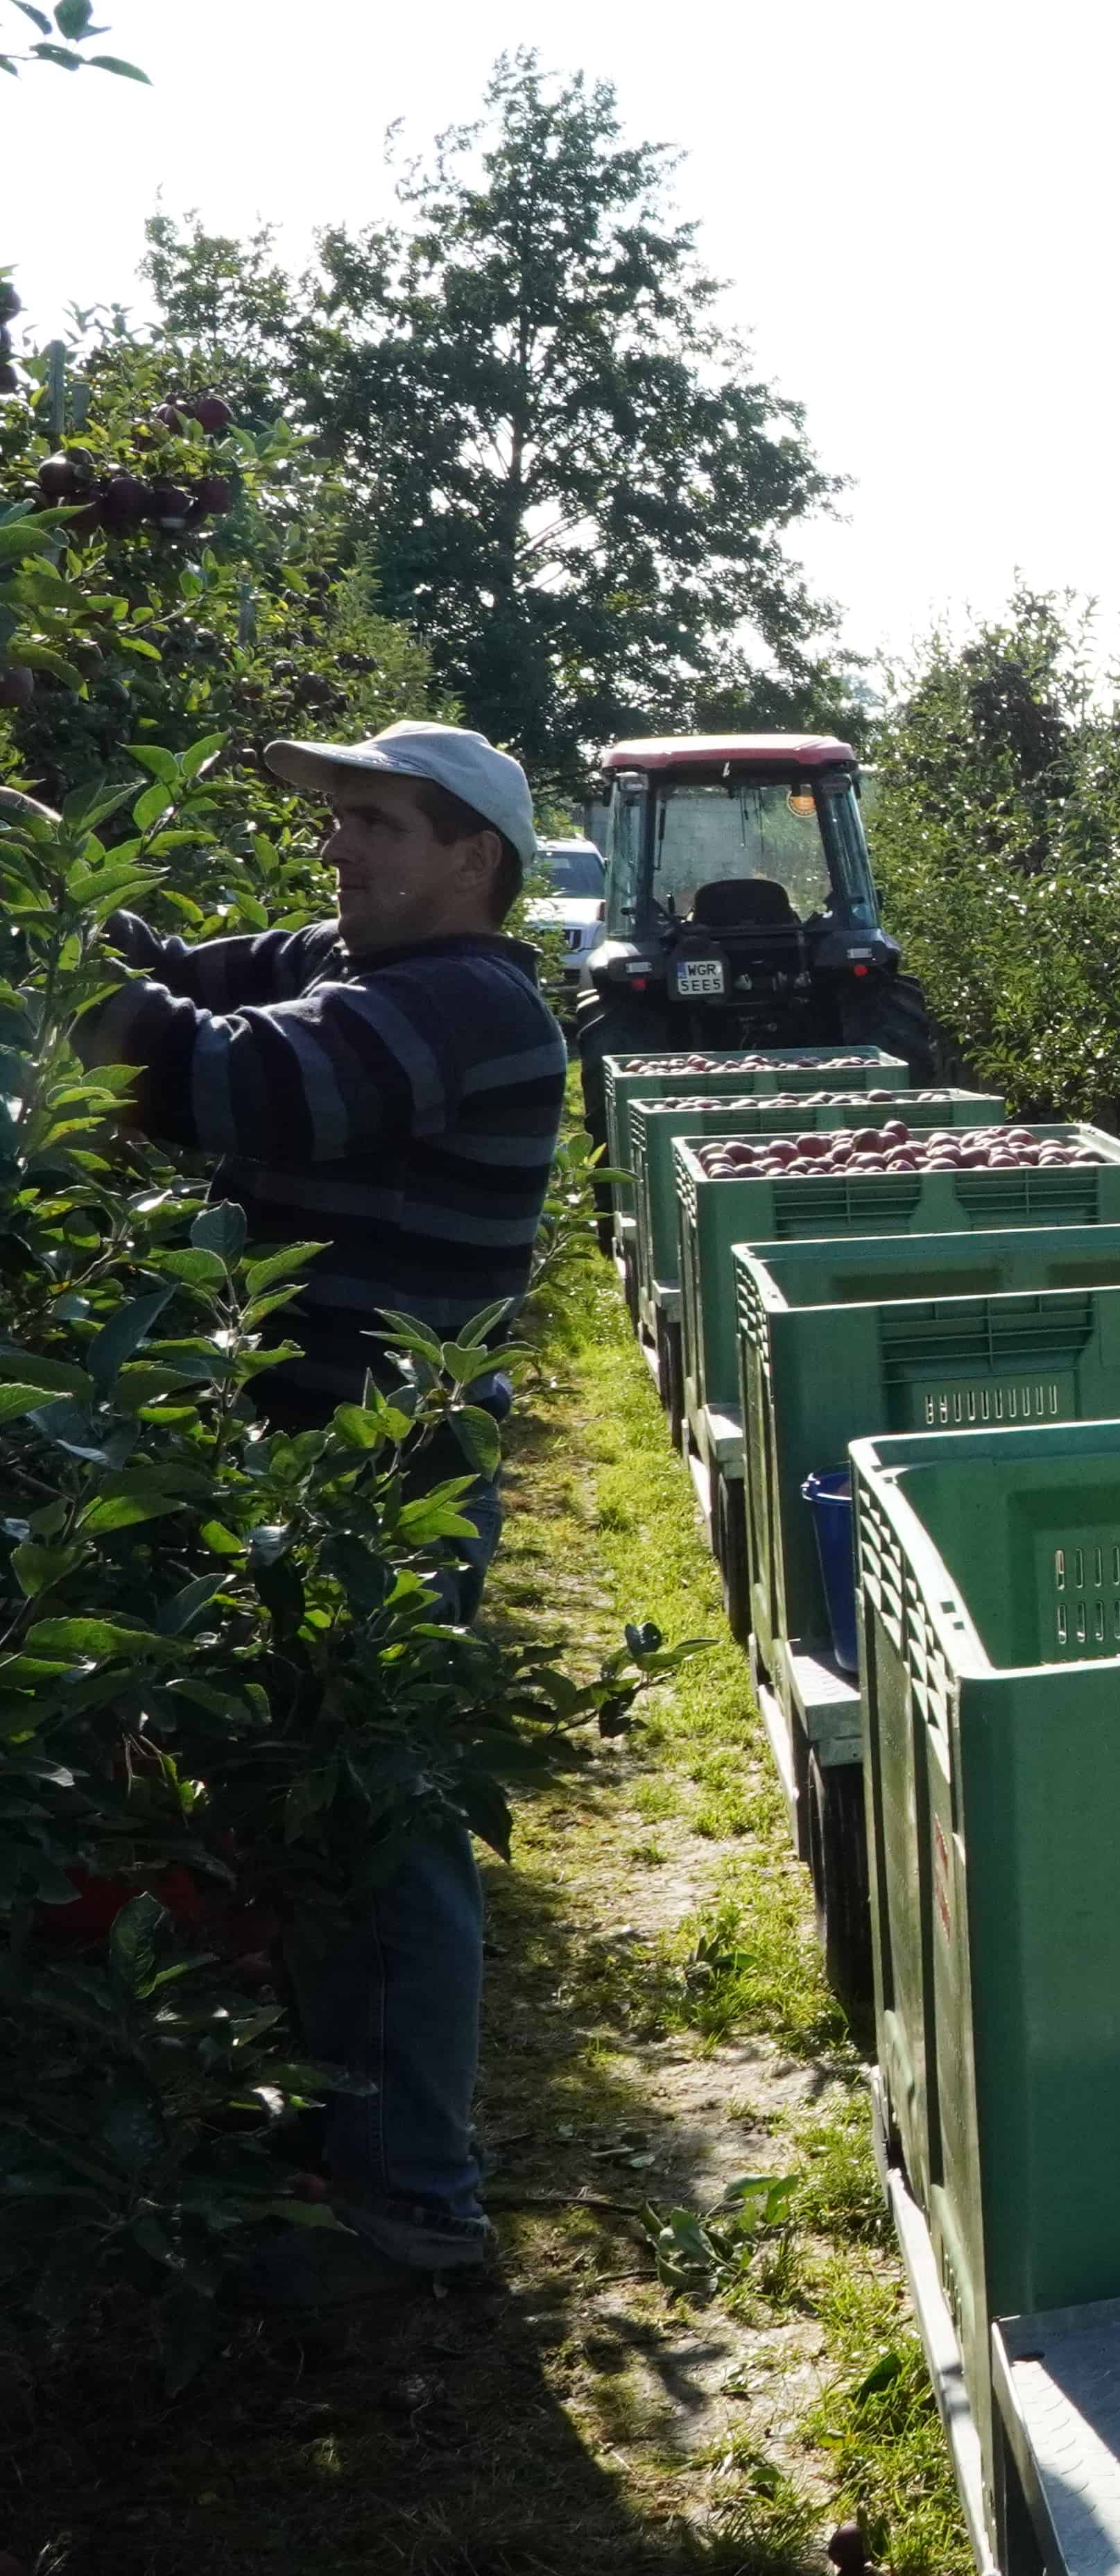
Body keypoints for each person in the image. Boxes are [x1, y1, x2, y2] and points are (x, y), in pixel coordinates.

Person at [71, 722, 571, 2305]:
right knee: (310, 1794)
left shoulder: (469, 1006)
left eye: (373, 822)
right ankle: (338, 2140)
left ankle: (418, 2191)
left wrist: (31, 923)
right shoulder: (358, 959)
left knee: (388, 1807)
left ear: (469, 858)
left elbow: (227, 1080)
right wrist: (59, 879)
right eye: (336, 819)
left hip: (383, 1494)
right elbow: (175, 961)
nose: (336, 847)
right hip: (292, 1484)